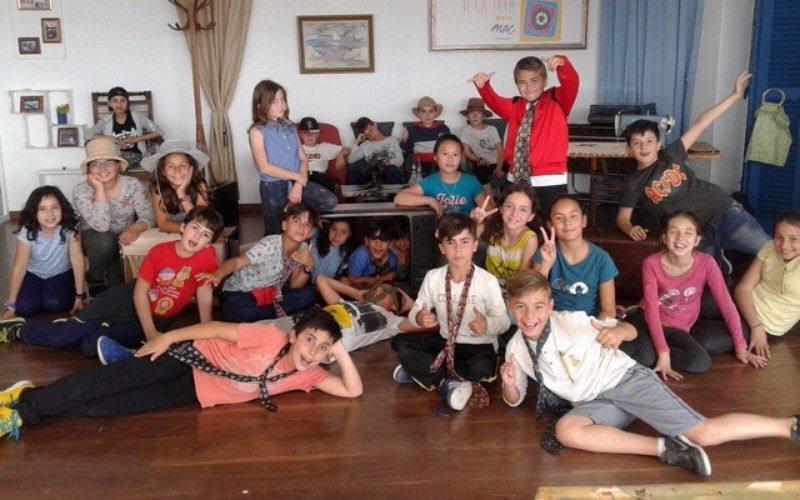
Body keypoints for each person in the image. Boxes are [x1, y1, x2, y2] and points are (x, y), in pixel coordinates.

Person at [499, 269, 800, 476]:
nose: (530, 316)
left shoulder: (572, 321)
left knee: (703, 433)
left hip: (625, 381)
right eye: (521, 307)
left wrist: (619, 332)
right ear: (510, 306)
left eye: (538, 306)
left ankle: (790, 426)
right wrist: (509, 384)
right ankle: (665, 448)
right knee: (566, 430)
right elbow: (515, 398)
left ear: (551, 306)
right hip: (595, 402)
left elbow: (630, 329)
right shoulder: (515, 348)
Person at [0, 309, 363, 441]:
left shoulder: (309, 375)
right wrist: (168, 337)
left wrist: (339, 348)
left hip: (194, 392)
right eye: (310, 340)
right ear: (294, 335)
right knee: (103, 383)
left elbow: (352, 390)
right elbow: (216, 328)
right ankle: (20, 411)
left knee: (103, 408)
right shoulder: (270, 336)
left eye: (323, 348)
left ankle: (31, 397)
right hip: (186, 358)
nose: (313, 352)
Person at [0, 207, 224, 361]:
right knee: (64, 337)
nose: (197, 236)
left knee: (91, 346)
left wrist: (206, 328)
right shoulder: (160, 252)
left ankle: (76, 327)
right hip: (126, 299)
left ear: (209, 244)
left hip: (158, 317)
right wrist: (150, 332)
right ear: (183, 227)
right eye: (195, 227)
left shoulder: (207, 256)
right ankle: (19, 330)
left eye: (206, 235)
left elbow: (203, 290)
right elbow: (140, 293)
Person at [616, 72, 769, 276]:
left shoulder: (671, 154)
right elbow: (622, 217)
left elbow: (701, 122)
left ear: (659, 144)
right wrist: (629, 228)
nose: (644, 147)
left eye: (649, 141)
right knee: (709, 276)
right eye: (637, 143)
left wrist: (734, 96)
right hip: (694, 233)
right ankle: (719, 260)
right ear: (629, 149)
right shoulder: (633, 183)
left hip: (722, 209)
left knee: (771, 251)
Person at [625, 210, 767, 380]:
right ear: (664, 238)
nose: (680, 238)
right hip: (648, 319)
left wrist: (741, 348)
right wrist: (663, 353)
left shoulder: (707, 263)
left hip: (678, 327)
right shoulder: (651, 264)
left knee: (701, 362)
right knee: (645, 358)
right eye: (674, 231)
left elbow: (726, 304)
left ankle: (653, 349)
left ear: (697, 240)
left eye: (688, 233)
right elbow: (652, 311)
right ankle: (633, 325)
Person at [391, 214, 509, 411]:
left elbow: (503, 322)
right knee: (399, 342)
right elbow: (416, 310)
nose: (458, 249)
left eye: (465, 242)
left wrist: (487, 324)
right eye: (451, 242)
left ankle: (422, 371)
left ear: (475, 245)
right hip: (446, 343)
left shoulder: (487, 281)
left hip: (479, 346)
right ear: (441, 247)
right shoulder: (433, 277)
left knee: (482, 368)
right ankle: (447, 382)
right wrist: (419, 317)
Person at [469, 55, 579, 212]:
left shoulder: (558, 100)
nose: (529, 87)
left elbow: (572, 82)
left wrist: (563, 65)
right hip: (515, 179)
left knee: (547, 223)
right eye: (522, 82)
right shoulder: (514, 106)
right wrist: (483, 86)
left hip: (549, 180)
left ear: (544, 81)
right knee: (514, 222)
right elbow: (494, 101)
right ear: (517, 84)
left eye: (534, 80)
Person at [201, 203, 318, 323]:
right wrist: (218, 274)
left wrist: (309, 266)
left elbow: (295, 286)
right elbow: (236, 262)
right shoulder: (269, 245)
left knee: (309, 294)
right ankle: (273, 314)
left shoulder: (303, 248)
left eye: (307, 224)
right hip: (242, 292)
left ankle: (265, 316)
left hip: (271, 294)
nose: (301, 227)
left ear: (310, 233)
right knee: (239, 312)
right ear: (284, 225)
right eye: (297, 221)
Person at [248, 80, 337, 236]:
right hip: (273, 186)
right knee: (274, 231)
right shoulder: (257, 131)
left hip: (296, 182)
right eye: (274, 102)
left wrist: (298, 184)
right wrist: (296, 177)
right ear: (260, 105)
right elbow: (264, 167)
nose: (281, 105)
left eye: (283, 100)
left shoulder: (290, 128)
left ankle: (306, 227)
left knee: (329, 201)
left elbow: (303, 159)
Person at [73, 137, 155, 296]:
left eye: (109, 162)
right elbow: (101, 226)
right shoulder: (81, 191)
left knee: (119, 290)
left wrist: (135, 227)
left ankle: (109, 278)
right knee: (106, 241)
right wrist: (99, 189)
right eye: (95, 164)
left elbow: (149, 215)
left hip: (124, 239)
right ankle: (95, 277)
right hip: (96, 241)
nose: (102, 168)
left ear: (118, 165)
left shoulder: (132, 184)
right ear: (89, 169)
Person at [1, 186, 86, 322]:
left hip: (61, 273)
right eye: (42, 209)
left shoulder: (70, 227)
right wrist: (10, 306)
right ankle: (41, 294)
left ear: (62, 208)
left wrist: (80, 296)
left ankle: (65, 289)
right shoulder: (28, 230)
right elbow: (19, 267)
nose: (50, 214)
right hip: (35, 274)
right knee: (24, 308)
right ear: (34, 212)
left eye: (54, 207)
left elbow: (78, 260)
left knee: (54, 303)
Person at [533, 195, 618, 321]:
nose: (567, 222)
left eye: (573, 216)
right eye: (559, 218)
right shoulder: (544, 254)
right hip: (552, 320)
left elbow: (609, 311)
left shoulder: (602, 259)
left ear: (584, 220)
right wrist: (545, 265)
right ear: (550, 225)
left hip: (588, 323)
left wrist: (591, 329)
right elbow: (532, 298)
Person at [735, 209, 800, 359]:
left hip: (767, 324)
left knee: (709, 341)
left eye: (793, 239)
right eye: (779, 237)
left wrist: (758, 328)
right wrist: (755, 325)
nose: (784, 246)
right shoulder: (770, 247)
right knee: (701, 301)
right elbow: (742, 289)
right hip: (745, 304)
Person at [394, 134, 491, 218]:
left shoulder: (471, 182)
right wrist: (430, 200)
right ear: (435, 156)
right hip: (439, 231)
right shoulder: (430, 182)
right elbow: (399, 198)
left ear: (461, 157)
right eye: (445, 154)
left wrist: (477, 219)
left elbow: (489, 213)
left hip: (466, 231)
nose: (450, 159)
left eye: (455, 154)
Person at [141, 140, 211, 234]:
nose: (177, 170)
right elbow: (163, 224)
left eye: (182, 165)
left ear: (191, 168)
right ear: (163, 171)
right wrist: (188, 230)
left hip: (197, 235)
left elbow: (201, 221)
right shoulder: (157, 189)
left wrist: (181, 194)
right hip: (171, 235)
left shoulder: (200, 186)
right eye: (170, 166)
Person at [478, 184, 540, 289]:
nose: (514, 213)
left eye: (523, 209)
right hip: (487, 288)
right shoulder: (492, 227)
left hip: (513, 291)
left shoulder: (530, 239)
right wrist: (475, 222)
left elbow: (522, 279)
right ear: (501, 208)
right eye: (509, 206)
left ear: (531, 216)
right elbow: (463, 239)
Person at [86, 86, 164, 170]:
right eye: (115, 100)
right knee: (111, 165)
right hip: (112, 156)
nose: (119, 104)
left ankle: (120, 176)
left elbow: (159, 131)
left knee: (116, 165)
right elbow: (87, 135)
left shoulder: (138, 117)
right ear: (109, 103)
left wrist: (137, 139)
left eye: (123, 100)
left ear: (127, 103)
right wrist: (113, 139)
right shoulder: (105, 120)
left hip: (135, 155)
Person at [458, 98, 505, 192]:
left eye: (478, 113)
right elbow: (466, 152)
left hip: (499, 161)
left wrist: (499, 167)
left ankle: (509, 197)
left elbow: (500, 151)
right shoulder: (465, 130)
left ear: (484, 116)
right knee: (480, 171)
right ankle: (490, 199)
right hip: (482, 163)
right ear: (467, 116)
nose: (475, 116)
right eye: (471, 113)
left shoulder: (492, 129)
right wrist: (478, 159)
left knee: (515, 168)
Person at [298, 116, 349, 195]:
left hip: (320, 177)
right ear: (301, 135)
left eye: (313, 133)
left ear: (317, 134)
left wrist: (340, 154)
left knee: (326, 182)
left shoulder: (324, 147)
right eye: (306, 133)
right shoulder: (297, 148)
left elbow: (347, 149)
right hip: (303, 176)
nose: (309, 136)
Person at [347, 117, 405, 185]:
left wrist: (387, 162)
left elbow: (400, 160)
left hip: (388, 170)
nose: (371, 135)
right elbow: (350, 160)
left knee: (393, 169)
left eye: (371, 130)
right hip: (371, 174)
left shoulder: (393, 140)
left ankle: (395, 192)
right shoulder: (366, 144)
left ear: (375, 124)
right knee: (354, 173)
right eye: (367, 135)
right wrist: (357, 141)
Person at [402, 96, 451, 177]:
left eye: (430, 111)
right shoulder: (412, 129)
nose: (427, 115)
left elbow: (450, 148)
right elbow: (406, 152)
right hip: (420, 163)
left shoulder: (443, 128)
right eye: (423, 111)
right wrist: (404, 140)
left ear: (435, 113)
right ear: (419, 114)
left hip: (439, 162)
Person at [345, 219, 398, 288]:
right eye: (373, 238)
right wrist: (382, 279)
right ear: (367, 240)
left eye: (384, 240)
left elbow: (392, 276)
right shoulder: (360, 255)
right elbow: (351, 280)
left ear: (390, 244)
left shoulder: (392, 260)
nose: (378, 244)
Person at [310, 219, 354, 284]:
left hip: (329, 285)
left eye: (344, 232)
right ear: (327, 229)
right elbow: (312, 227)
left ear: (349, 234)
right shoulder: (316, 242)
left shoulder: (344, 252)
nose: (337, 236)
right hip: (312, 286)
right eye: (334, 230)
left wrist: (339, 278)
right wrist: (317, 223)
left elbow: (337, 274)